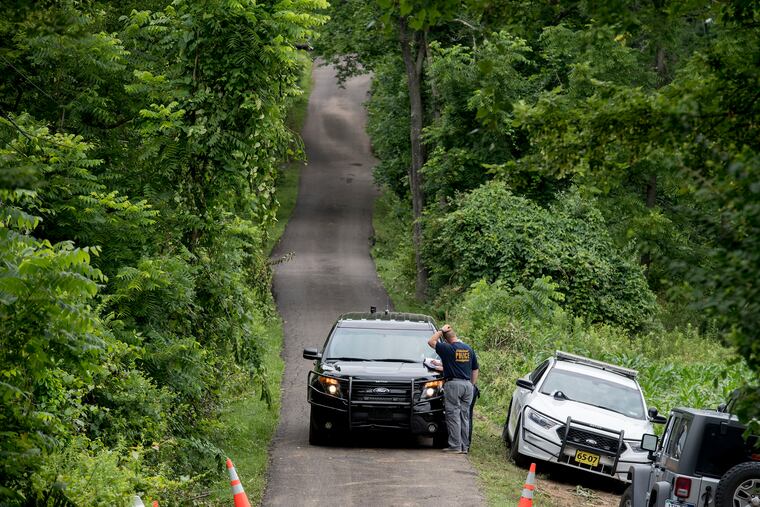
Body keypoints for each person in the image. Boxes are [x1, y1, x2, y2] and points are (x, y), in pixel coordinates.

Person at [427, 324, 479, 454]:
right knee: (464, 417)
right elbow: (475, 369)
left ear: (445, 339)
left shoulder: (447, 348)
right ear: (455, 336)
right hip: (468, 385)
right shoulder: (468, 349)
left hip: (454, 385)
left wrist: (440, 330)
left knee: (453, 415)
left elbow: (431, 341)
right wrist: (472, 385)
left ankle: (455, 446)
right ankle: (464, 446)